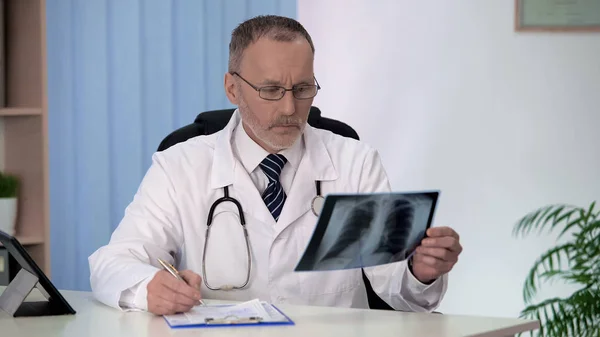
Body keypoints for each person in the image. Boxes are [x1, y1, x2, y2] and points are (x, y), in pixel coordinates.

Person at [88, 15, 462, 316]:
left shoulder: (356, 162)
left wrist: (420, 272)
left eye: (302, 89)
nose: (289, 109)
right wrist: (148, 288)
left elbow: (398, 291)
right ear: (232, 88)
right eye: (270, 90)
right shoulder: (179, 166)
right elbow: (111, 263)